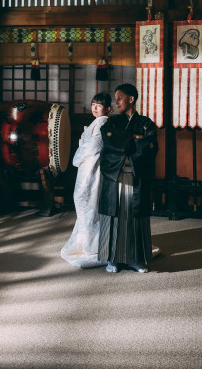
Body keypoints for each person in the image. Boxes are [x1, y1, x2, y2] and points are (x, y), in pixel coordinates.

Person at [98, 83, 158, 273]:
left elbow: (149, 146)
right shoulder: (112, 123)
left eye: (120, 98)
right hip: (115, 176)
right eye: (115, 98)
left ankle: (135, 259)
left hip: (136, 176)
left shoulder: (146, 123)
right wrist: (134, 139)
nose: (116, 102)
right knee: (114, 216)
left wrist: (124, 141)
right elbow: (108, 141)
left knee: (134, 218)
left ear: (131, 99)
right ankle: (112, 259)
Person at [60, 92, 112, 268]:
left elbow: (94, 146)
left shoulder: (103, 122)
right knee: (85, 201)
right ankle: (88, 242)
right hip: (87, 166)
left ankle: (93, 245)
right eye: (93, 104)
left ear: (107, 109)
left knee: (89, 202)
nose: (95, 108)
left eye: (99, 105)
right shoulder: (97, 122)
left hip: (93, 167)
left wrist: (78, 155)